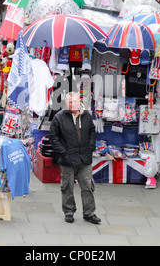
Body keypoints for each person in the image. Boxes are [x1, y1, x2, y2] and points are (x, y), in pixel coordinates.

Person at [48, 92, 100, 224]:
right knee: (67, 186)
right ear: (66, 103)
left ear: (79, 101)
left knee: (88, 186)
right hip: (67, 158)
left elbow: (92, 131)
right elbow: (53, 137)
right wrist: (63, 152)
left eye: (75, 102)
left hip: (84, 158)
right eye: (70, 102)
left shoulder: (86, 115)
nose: (72, 104)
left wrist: (91, 147)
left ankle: (89, 213)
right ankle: (69, 211)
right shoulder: (59, 117)